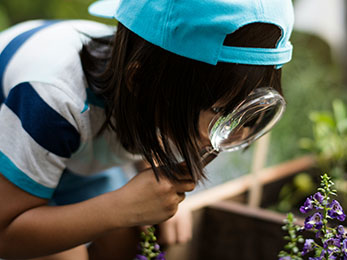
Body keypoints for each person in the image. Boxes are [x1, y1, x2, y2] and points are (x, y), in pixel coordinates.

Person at [0, 0, 294, 258]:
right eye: (218, 111)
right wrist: (121, 208)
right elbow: (5, 232)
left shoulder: (152, 89)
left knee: (128, 239)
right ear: (140, 81)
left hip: (73, 154)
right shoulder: (52, 99)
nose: (234, 132)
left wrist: (153, 178)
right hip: (13, 151)